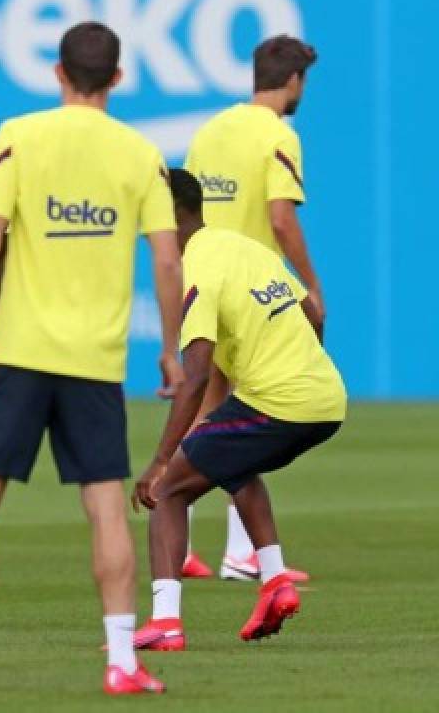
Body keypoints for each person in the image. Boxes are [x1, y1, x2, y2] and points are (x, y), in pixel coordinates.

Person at [0, 23, 183, 695]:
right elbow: (168, 258)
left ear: (58, 71)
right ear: (116, 78)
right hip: (93, 361)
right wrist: (172, 351)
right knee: (107, 512)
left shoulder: (18, 136)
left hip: (18, 354)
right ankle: (121, 661)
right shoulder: (141, 153)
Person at [130, 168, 344, 650]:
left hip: (279, 399)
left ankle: (165, 623)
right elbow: (312, 312)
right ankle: (275, 582)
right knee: (231, 462)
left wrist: (162, 461)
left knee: (170, 493)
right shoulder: (245, 247)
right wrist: (305, 367)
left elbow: (197, 376)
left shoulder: (196, 272)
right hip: (327, 397)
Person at [179, 35, 320, 581]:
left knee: (206, 411)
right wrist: (310, 287)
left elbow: (184, 207)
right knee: (250, 412)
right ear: (293, 82)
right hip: (254, 292)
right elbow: (281, 218)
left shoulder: (210, 131)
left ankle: (184, 539)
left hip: (206, 280)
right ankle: (242, 553)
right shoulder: (277, 134)